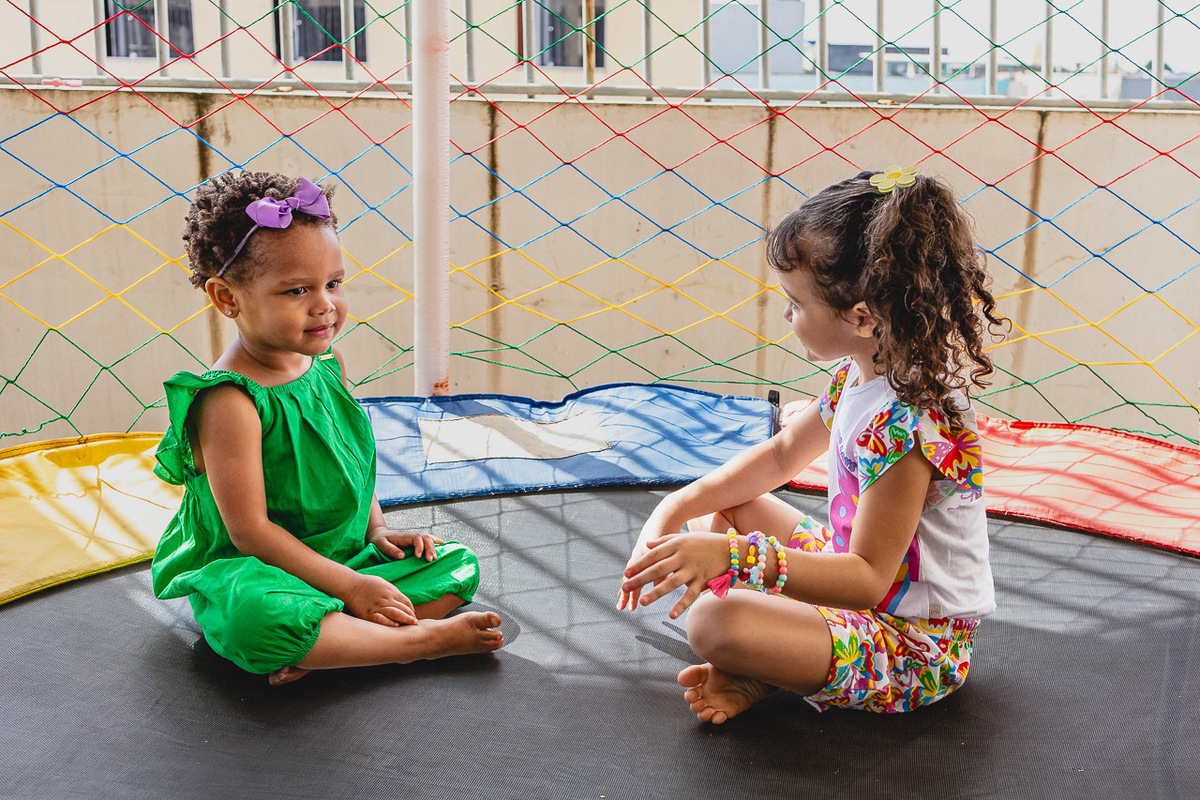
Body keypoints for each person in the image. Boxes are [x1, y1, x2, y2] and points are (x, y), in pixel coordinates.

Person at [618, 167, 1004, 720]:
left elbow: (868, 578)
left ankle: (766, 662)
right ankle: (769, 663)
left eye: (796, 303)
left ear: (862, 317)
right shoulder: (859, 376)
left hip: (913, 648)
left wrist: (733, 558)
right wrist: (674, 506)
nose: (786, 314)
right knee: (720, 511)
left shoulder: (909, 424)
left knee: (714, 621)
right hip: (855, 589)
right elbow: (780, 456)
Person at [152, 171, 502, 686]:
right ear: (227, 298)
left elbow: (349, 463)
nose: (325, 305)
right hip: (262, 571)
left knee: (455, 563)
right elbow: (249, 533)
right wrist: (353, 588)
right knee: (255, 617)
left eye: (333, 283)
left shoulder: (324, 365)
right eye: (297, 290)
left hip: (343, 556)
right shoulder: (228, 401)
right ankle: (413, 644)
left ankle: (332, 644)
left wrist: (378, 531)